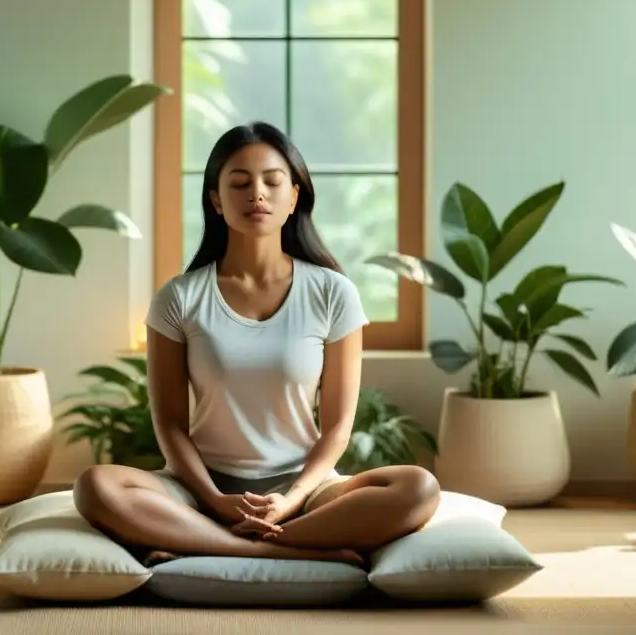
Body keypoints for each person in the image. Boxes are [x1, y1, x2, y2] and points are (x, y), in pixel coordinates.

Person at [73, 122, 441, 568]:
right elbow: (170, 424)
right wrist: (211, 498)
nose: (257, 194)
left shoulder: (332, 292)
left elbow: (338, 426)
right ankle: (276, 547)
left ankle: (218, 541)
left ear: (295, 197)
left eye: (272, 181)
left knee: (418, 489)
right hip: (199, 488)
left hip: (304, 488)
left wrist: (293, 499)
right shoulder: (180, 297)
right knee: (96, 487)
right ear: (215, 199)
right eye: (239, 183)